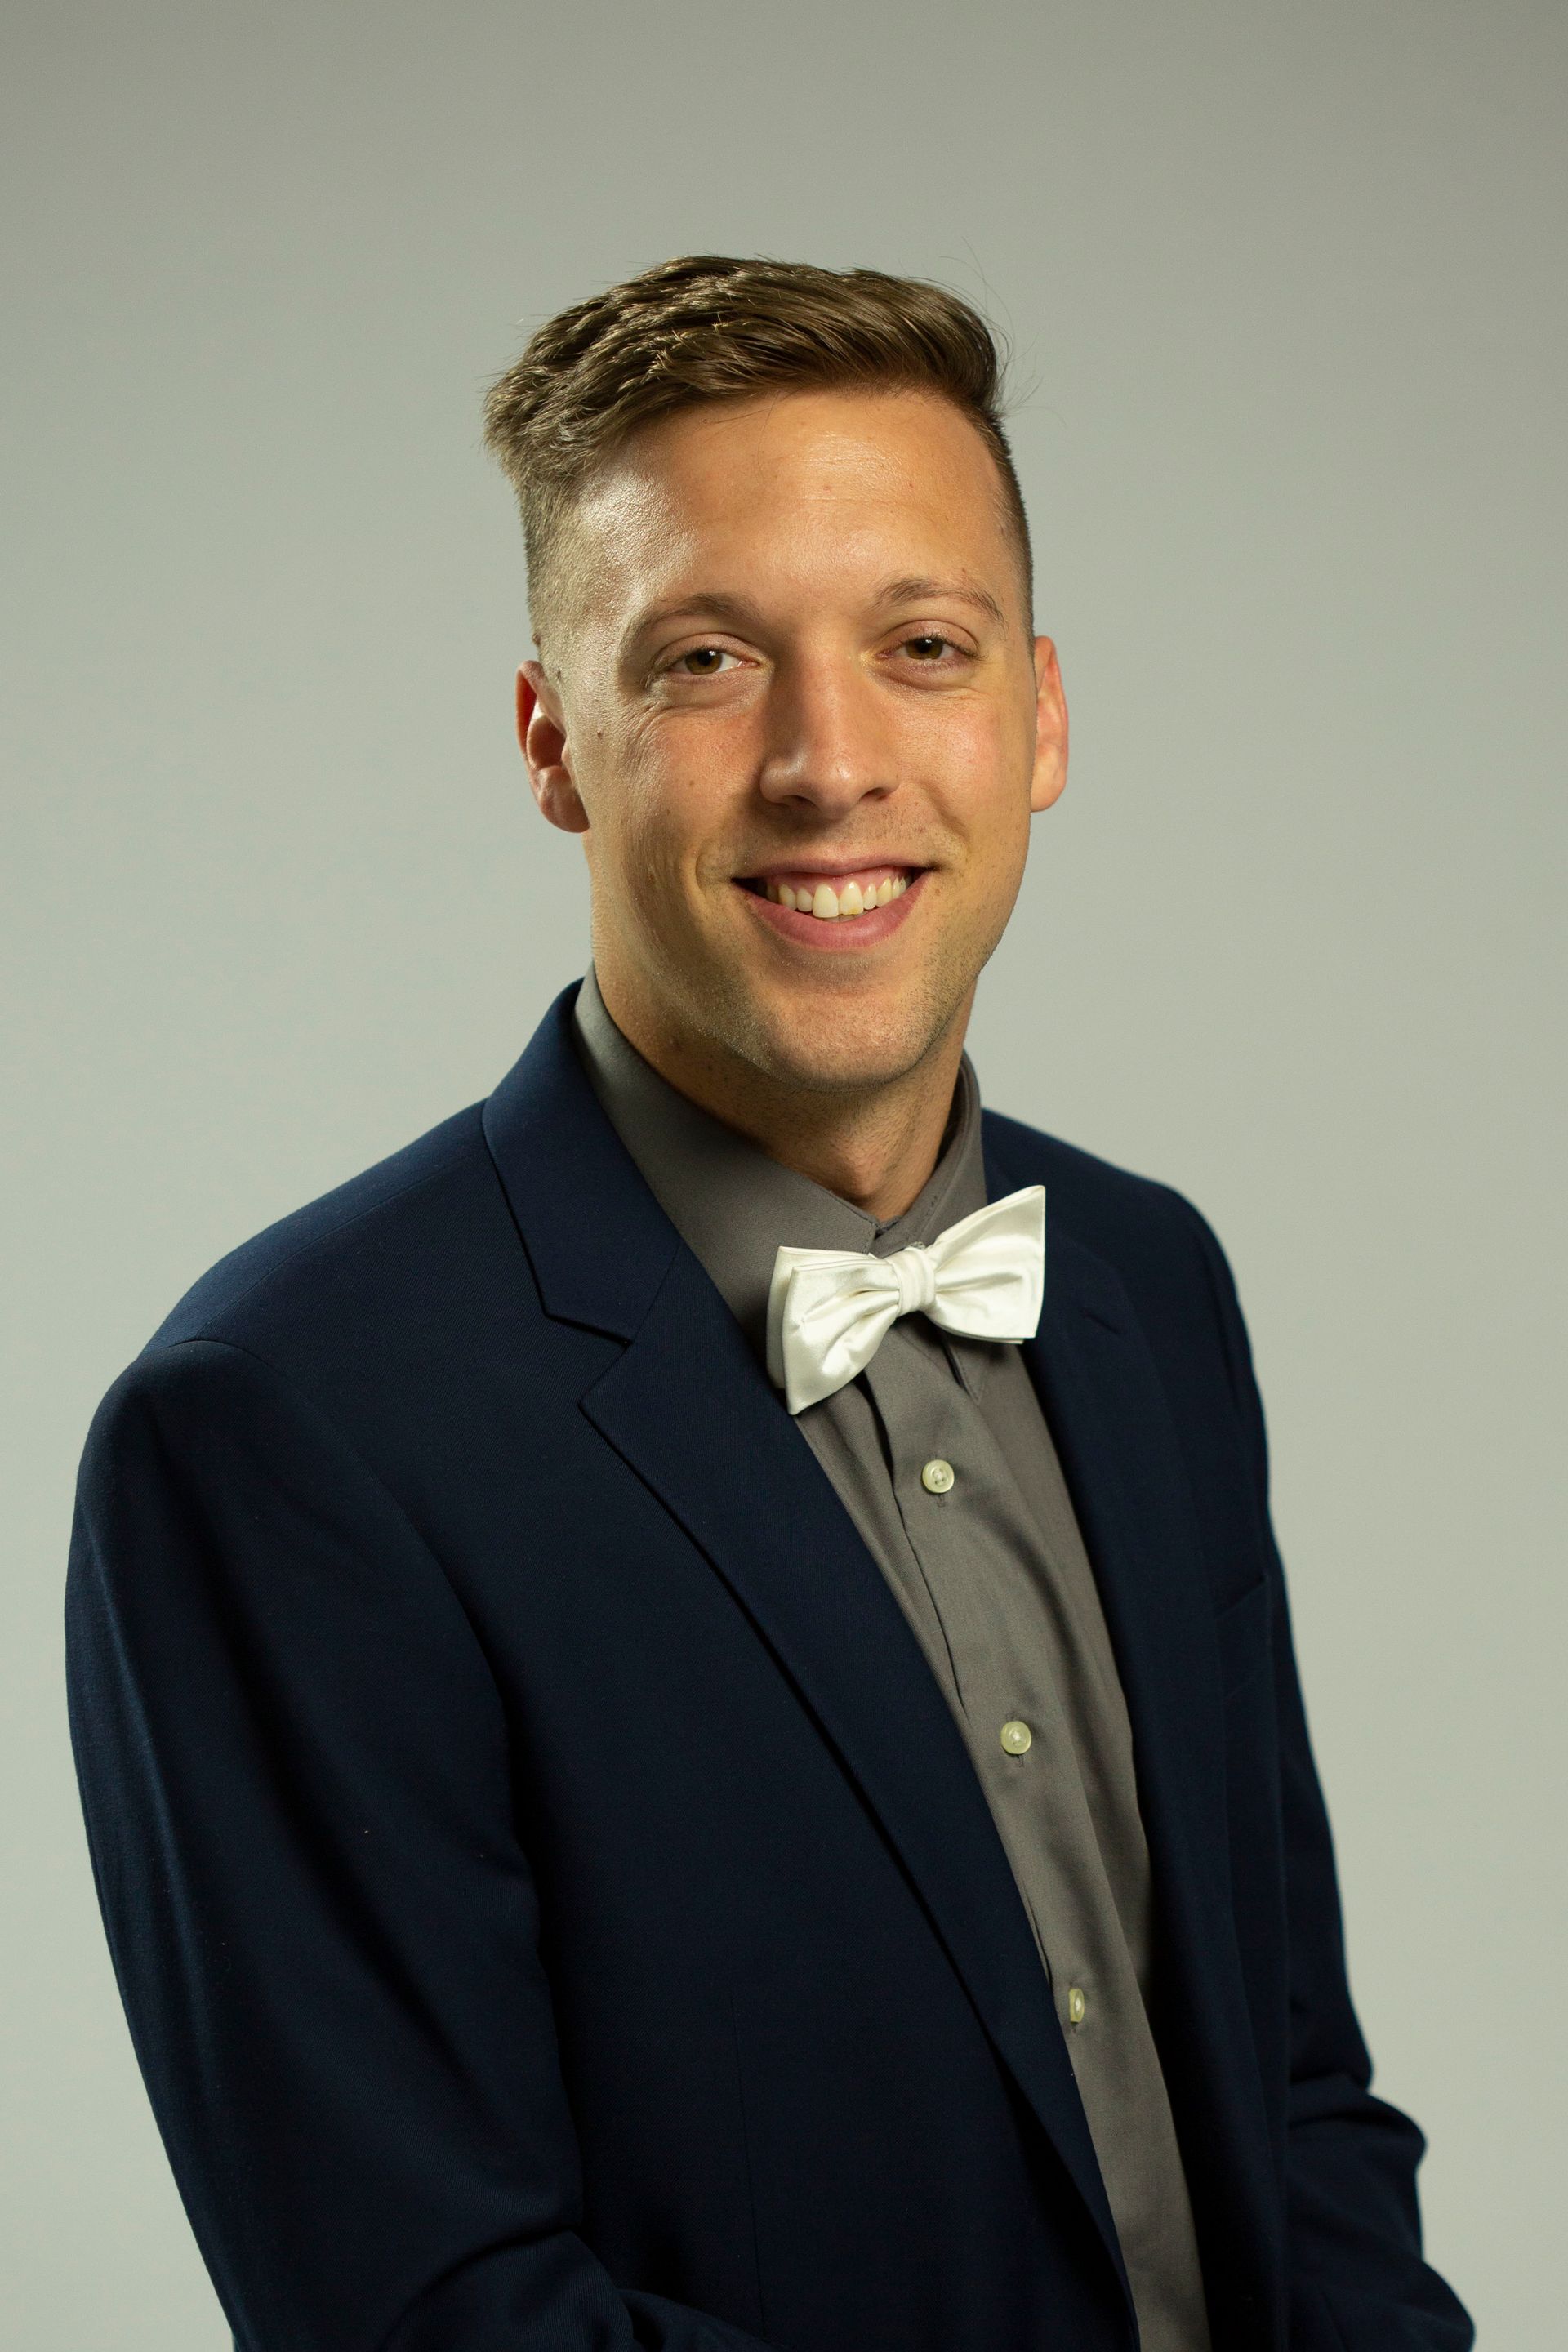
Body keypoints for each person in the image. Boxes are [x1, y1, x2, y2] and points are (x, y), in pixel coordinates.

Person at [65, 256, 1472, 2352]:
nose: (832, 762)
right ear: (556, 746)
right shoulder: (285, 1429)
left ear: (1040, 713)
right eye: (710, 660)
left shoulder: (1148, 1283)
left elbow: (1293, 2103)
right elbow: (433, 2314)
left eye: (922, 645)